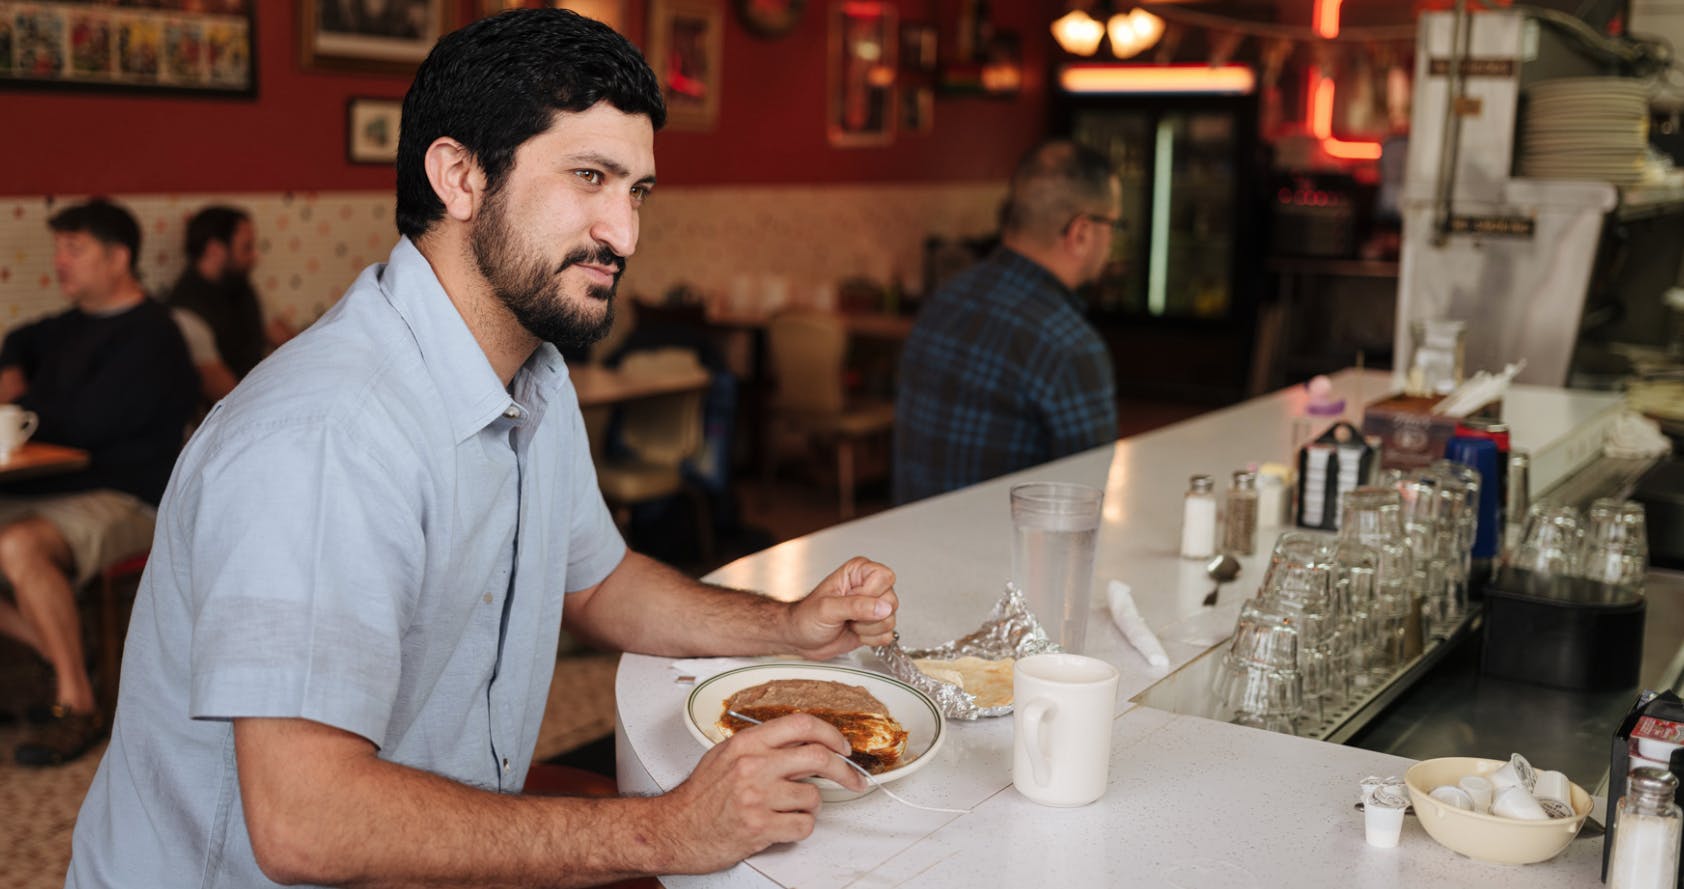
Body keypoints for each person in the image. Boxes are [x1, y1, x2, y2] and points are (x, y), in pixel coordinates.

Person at [70, 10, 899, 887]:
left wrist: (787, 626)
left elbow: (599, 582)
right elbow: (305, 820)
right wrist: (663, 831)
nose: (625, 234)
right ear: (460, 176)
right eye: (590, 176)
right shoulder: (328, 437)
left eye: (638, 191)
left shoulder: (530, 374)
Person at [0, 198, 197, 766]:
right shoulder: (70, 325)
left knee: (20, 545)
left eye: (74, 249)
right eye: (59, 248)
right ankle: (65, 652)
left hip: (130, 497)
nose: (60, 261)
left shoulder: (153, 335)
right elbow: (19, 338)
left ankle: (78, 702)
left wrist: (21, 405)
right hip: (54, 488)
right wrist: (13, 370)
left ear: (118, 258)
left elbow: (86, 428)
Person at [893, 140, 1121, 504]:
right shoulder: (1070, 346)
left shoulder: (944, 299)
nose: (1112, 243)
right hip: (1003, 557)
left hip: (903, 549)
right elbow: (1085, 505)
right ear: (1081, 233)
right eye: (1113, 225)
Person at [166, 205, 292, 382]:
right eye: (246, 248)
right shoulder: (186, 312)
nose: (255, 256)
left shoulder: (241, 288)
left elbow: (288, 341)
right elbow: (222, 389)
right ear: (215, 250)